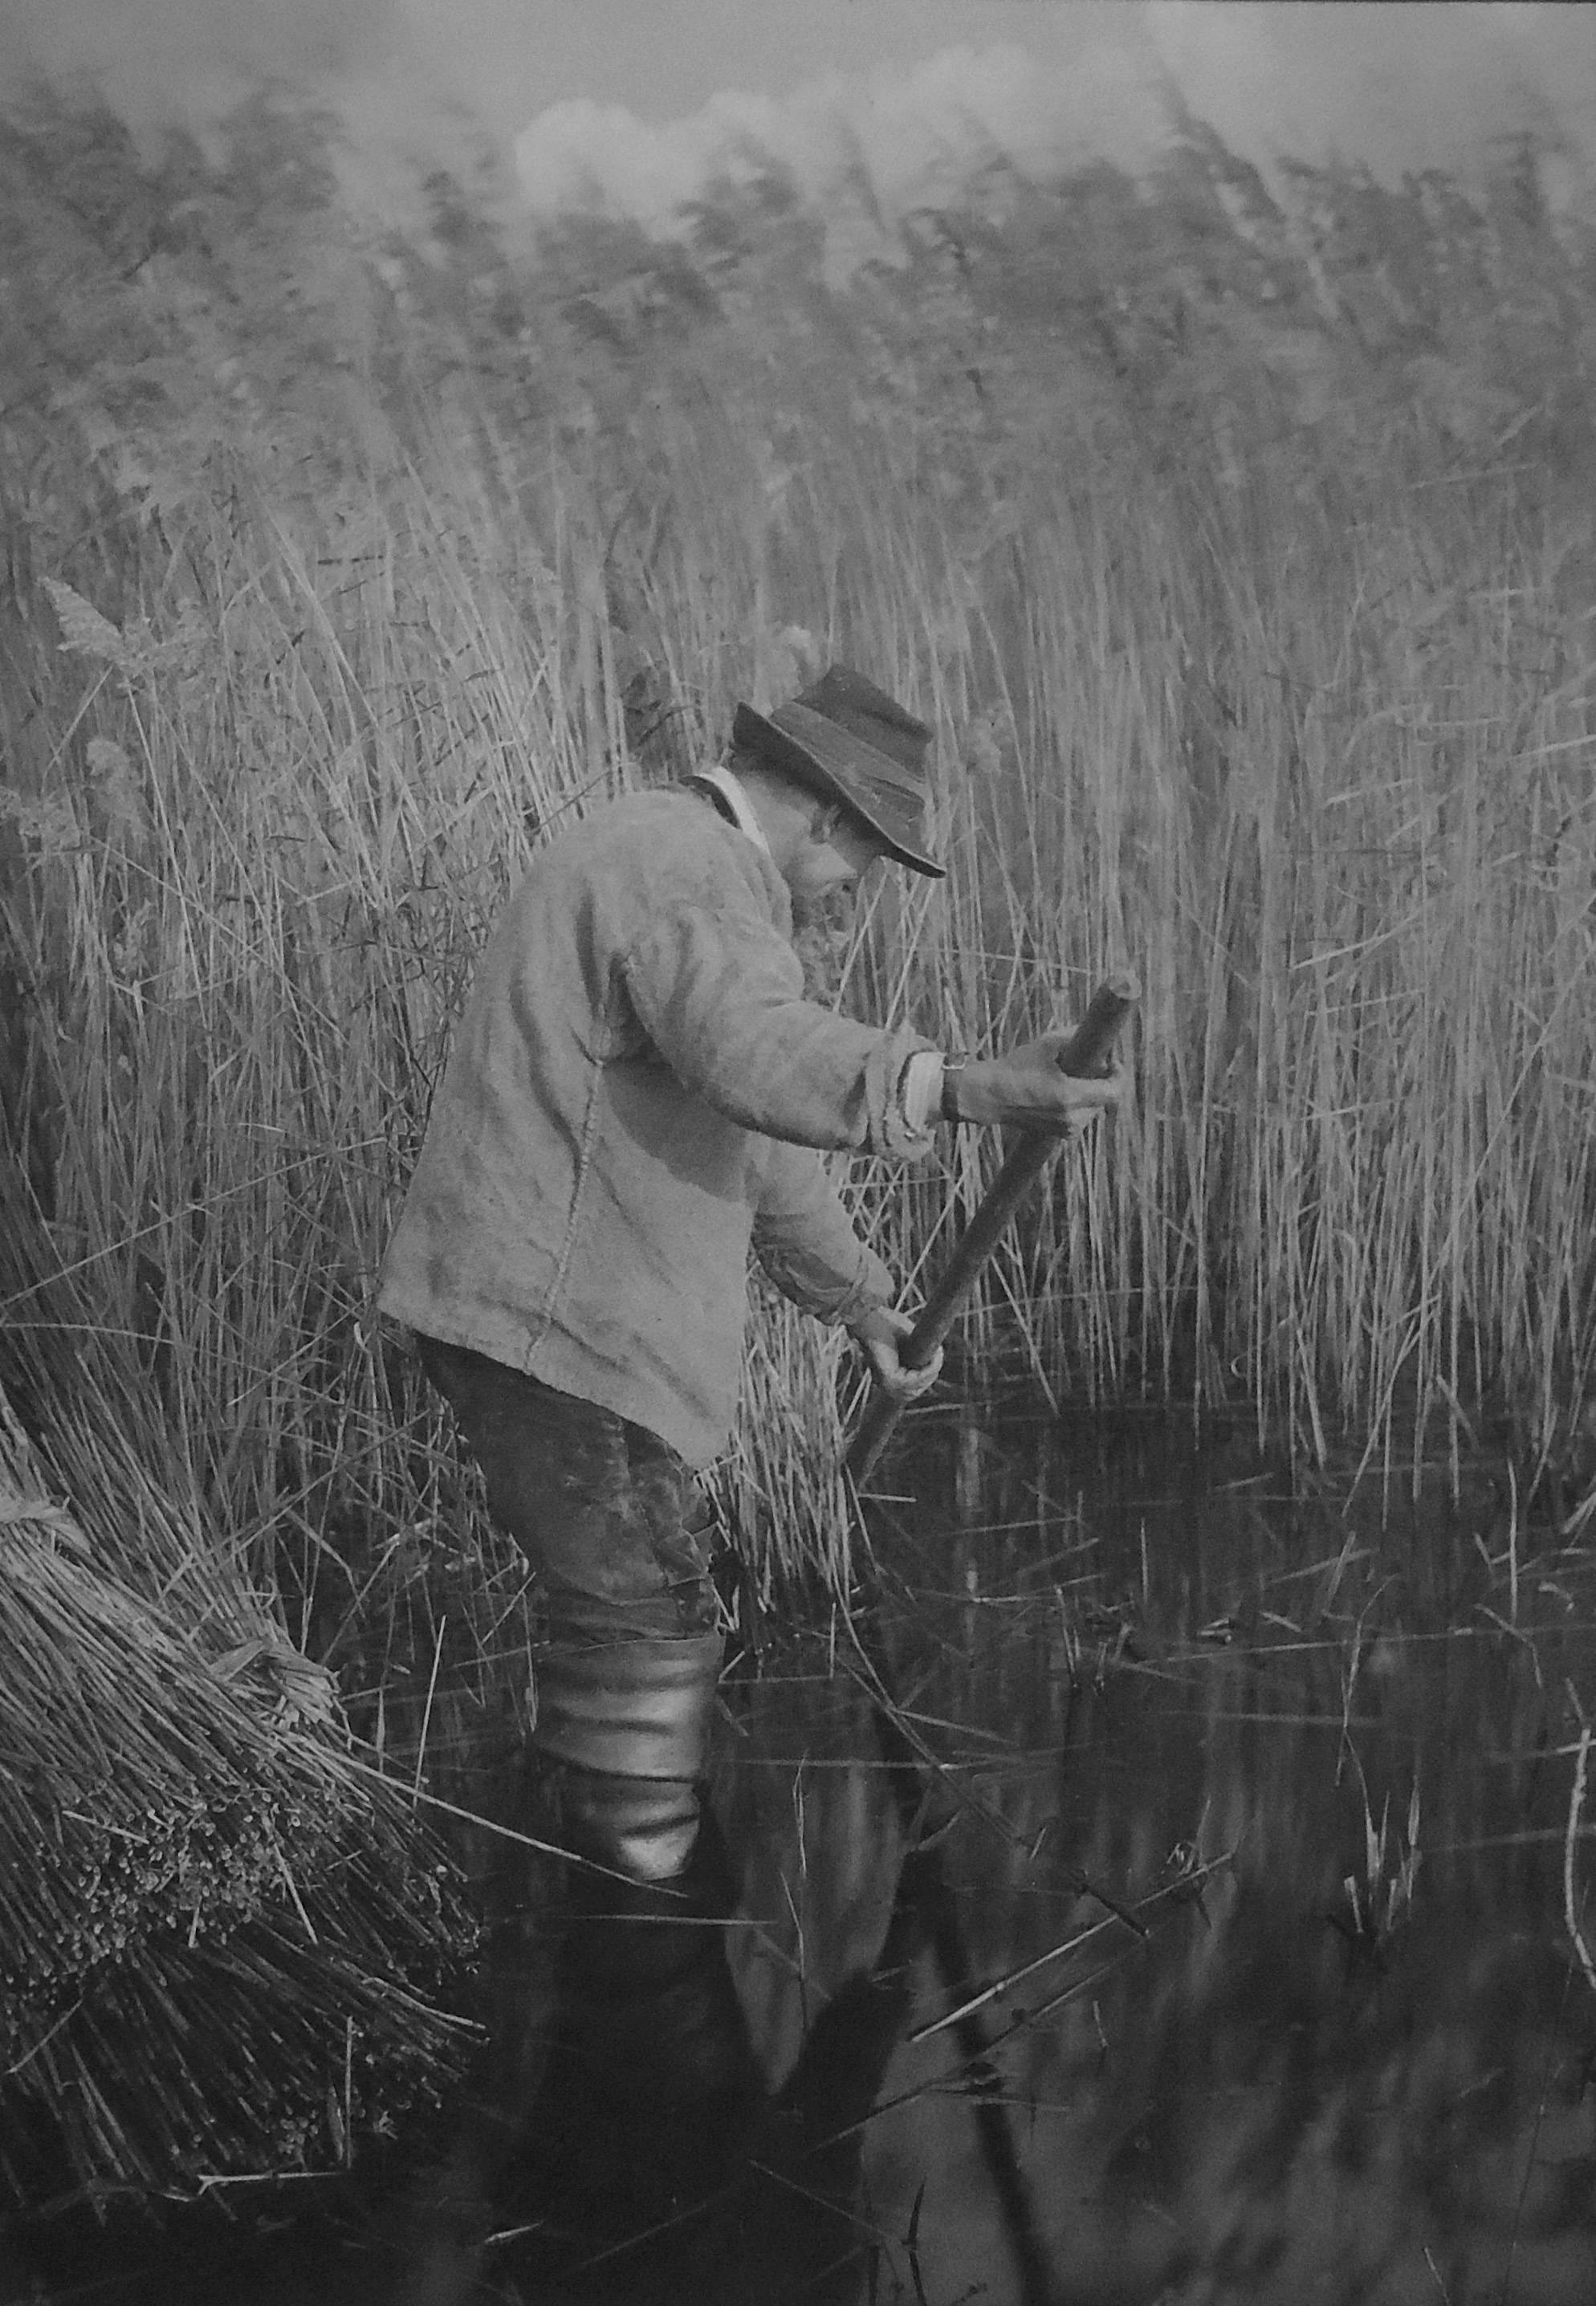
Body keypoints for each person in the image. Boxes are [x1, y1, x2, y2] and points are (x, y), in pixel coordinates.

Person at [376, 665, 1120, 1890]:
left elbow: (759, 1135)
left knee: (636, 1597)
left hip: (561, 1332)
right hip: (557, 1329)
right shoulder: (682, 865)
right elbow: (751, 1050)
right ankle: (646, 1969)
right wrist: (966, 1083)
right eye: (866, 861)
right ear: (825, 815)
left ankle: (595, 1894)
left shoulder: (686, 874)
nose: (852, 894)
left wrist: (864, 1301)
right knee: (648, 1614)